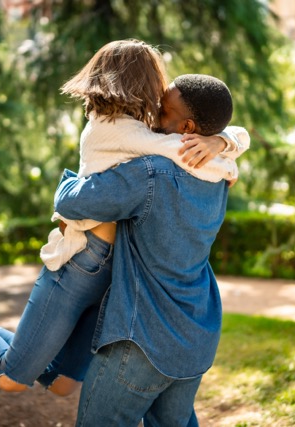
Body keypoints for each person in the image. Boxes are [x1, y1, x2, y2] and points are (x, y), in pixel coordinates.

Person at [0, 39, 249, 400]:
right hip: (81, 263)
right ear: (139, 82)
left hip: (114, 272)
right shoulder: (114, 127)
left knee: (64, 383)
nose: (160, 95)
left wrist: (223, 140)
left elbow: (199, 137)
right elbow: (188, 154)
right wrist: (223, 148)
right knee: (11, 378)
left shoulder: (138, 127)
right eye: (155, 81)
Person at [53, 74, 241, 425]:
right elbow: (233, 139)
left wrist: (88, 161)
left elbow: (70, 202)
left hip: (143, 340)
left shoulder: (149, 173)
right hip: (196, 334)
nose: (153, 113)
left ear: (186, 126)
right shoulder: (221, 173)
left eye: (163, 109)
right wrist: (222, 142)